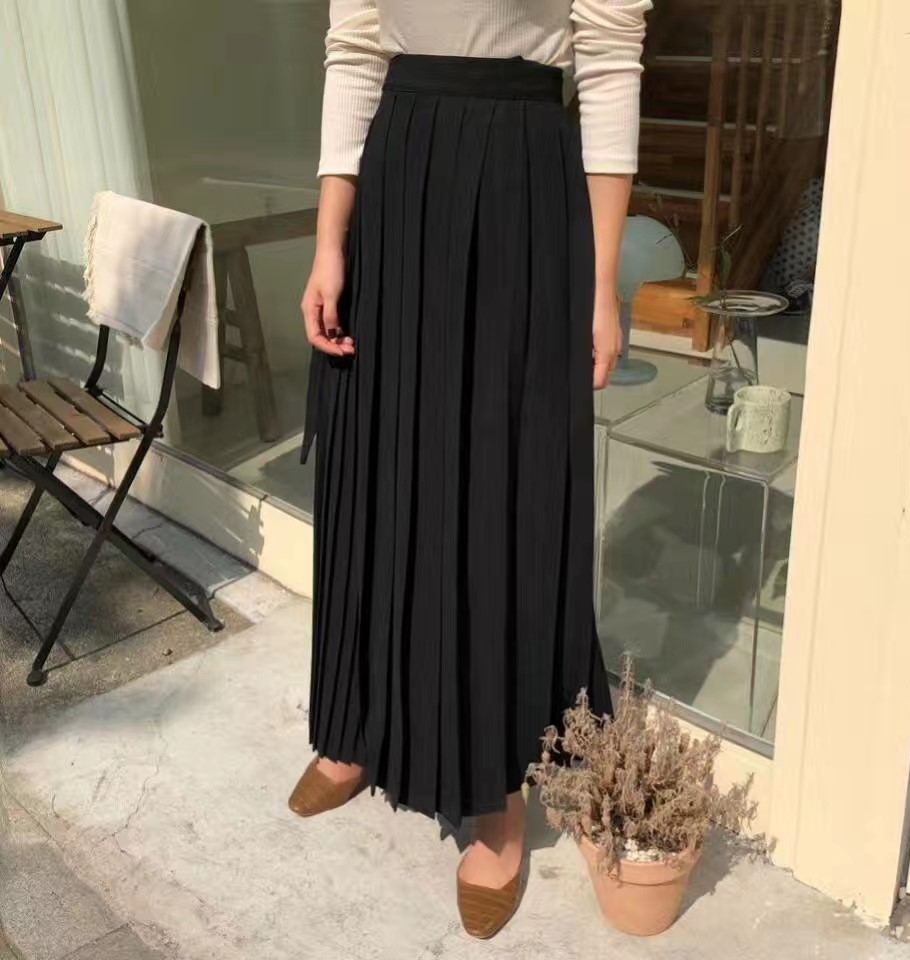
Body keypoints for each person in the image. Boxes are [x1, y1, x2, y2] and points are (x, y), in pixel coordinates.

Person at [292, 0, 651, 939]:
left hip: (519, 185)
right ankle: (360, 723)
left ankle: (496, 797)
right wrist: (330, 242)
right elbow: (356, 49)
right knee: (379, 461)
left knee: (501, 480)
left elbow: (609, 63)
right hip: (398, 179)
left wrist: (601, 283)